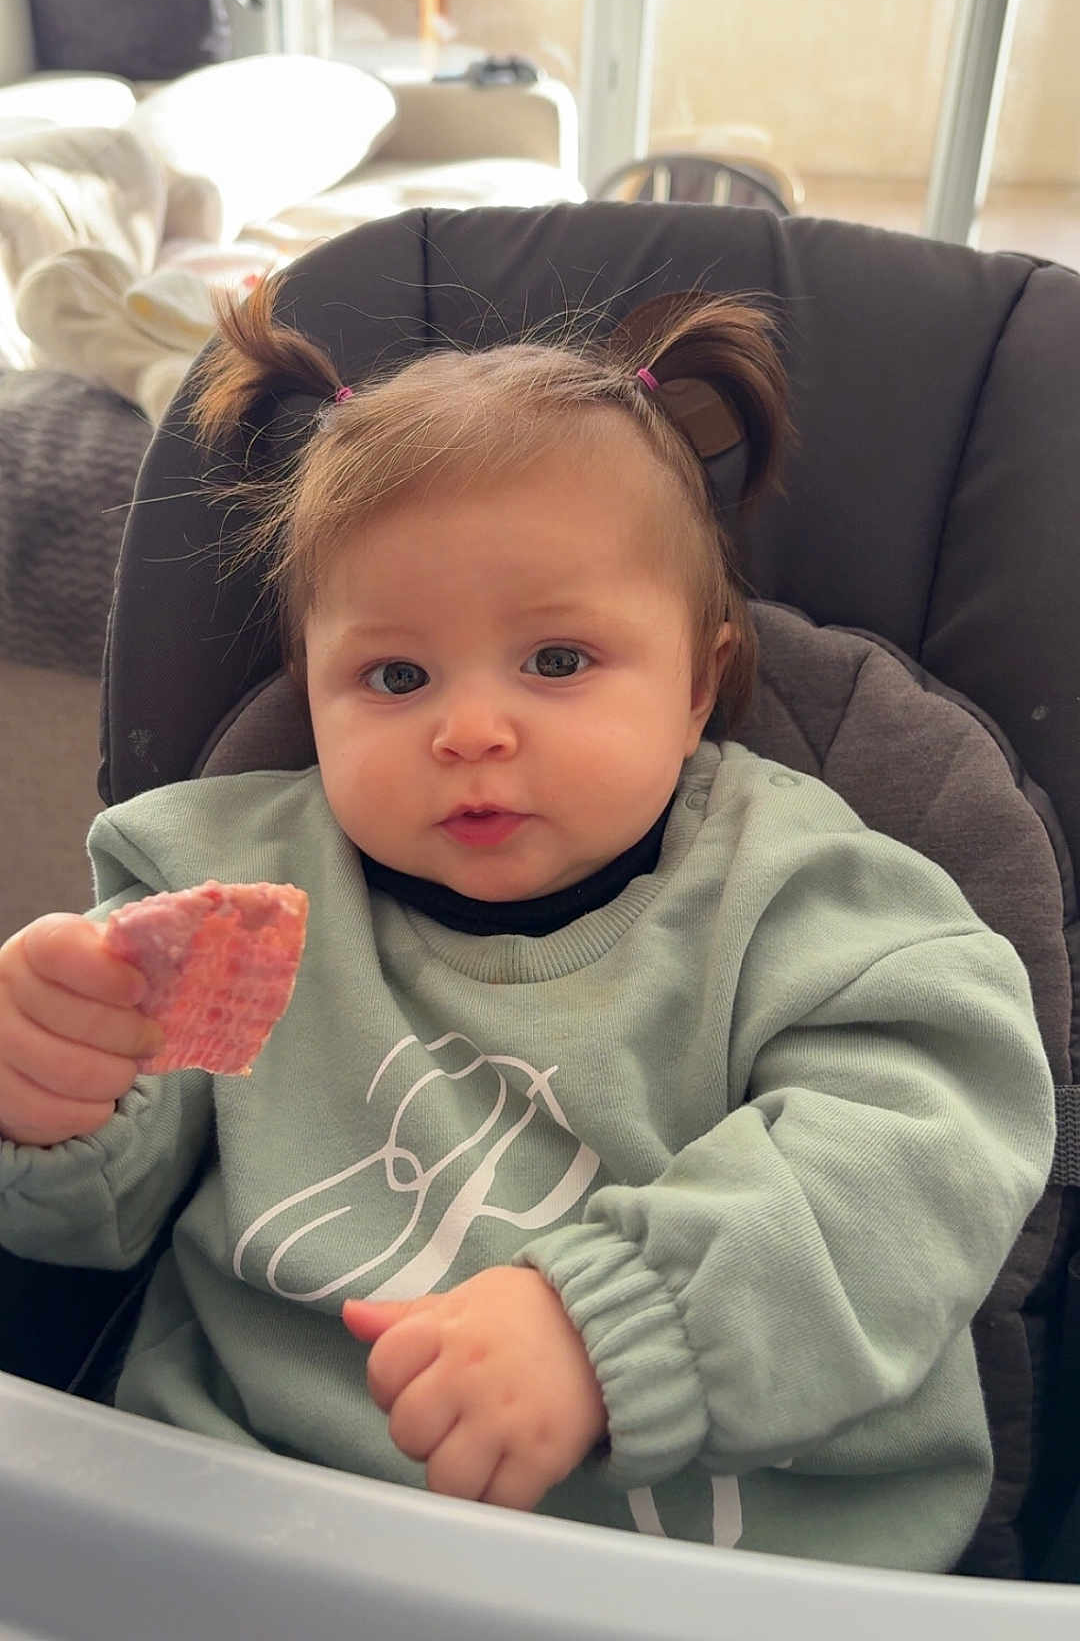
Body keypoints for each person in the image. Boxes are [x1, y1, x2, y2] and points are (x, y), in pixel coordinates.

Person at [0, 281, 1055, 1571]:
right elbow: (81, 1228)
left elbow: (921, 1157)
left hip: (711, 1574)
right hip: (246, 1527)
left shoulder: (816, 899)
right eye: (395, 677)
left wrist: (613, 1324)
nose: (471, 730)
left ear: (698, 683)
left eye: (557, 662)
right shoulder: (210, 885)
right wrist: (49, 1090)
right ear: (310, 689)